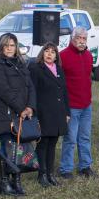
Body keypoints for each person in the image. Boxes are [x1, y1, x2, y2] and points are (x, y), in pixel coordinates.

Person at [0, 32, 37, 195]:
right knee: (7, 147)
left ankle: (17, 181)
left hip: (22, 113)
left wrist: (30, 107)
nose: (9, 48)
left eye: (12, 45)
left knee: (20, 146)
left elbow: (31, 87)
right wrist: (21, 109)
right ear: (0, 47)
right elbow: (4, 91)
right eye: (6, 45)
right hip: (5, 114)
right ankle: (4, 183)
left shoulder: (21, 64)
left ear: (16, 47)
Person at [29, 42, 70, 186]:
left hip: (58, 113)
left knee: (53, 143)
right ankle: (42, 174)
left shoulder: (59, 69)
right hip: (43, 112)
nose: (49, 54)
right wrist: (35, 114)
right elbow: (32, 92)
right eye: (47, 51)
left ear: (56, 55)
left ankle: (50, 173)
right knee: (43, 143)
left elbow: (64, 92)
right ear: (42, 53)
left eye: (53, 52)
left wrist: (67, 112)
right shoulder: (36, 69)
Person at [58, 27, 96, 179]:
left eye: (84, 38)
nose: (81, 41)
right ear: (72, 39)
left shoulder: (88, 55)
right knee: (70, 139)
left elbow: (88, 78)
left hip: (86, 104)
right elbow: (59, 83)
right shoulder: (63, 56)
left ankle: (85, 166)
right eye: (79, 38)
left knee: (85, 137)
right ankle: (66, 168)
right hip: (71, 106)